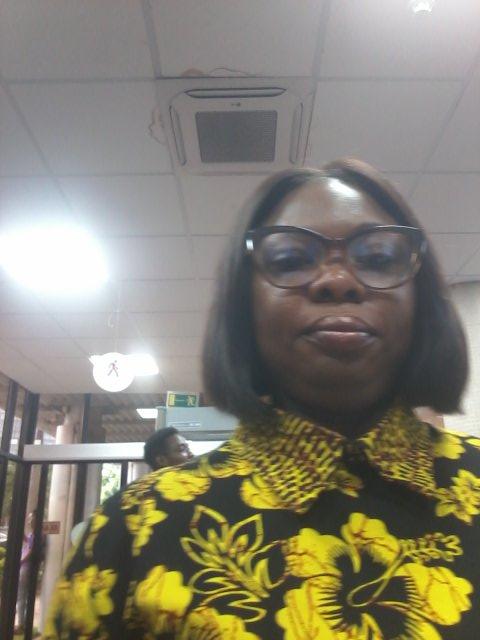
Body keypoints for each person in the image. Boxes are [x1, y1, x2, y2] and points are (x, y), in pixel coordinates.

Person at [43, 159, 479, 639]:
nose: (338, 280)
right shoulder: (133, 530)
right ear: (244, 308)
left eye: (377, 257)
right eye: (291, 260)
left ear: (421, 302)